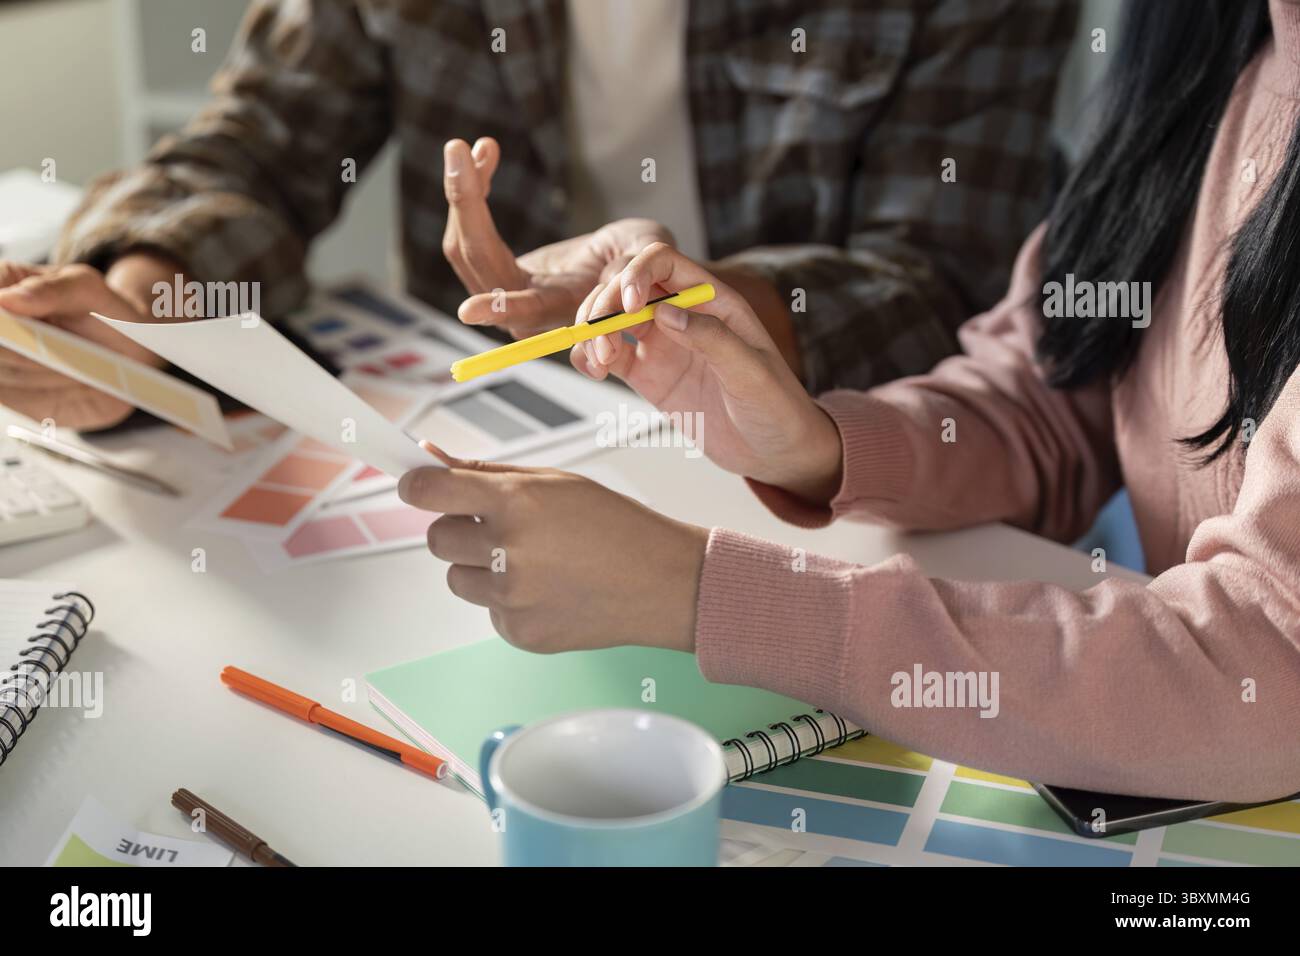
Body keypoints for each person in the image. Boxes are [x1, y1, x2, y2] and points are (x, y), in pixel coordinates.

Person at [397, 0, 1300, 802]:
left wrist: (703, 593)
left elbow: (1269, 665)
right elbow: (1055, 390)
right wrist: (818, 445)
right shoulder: (1223, 51)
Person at [0, 0, 1075, 429]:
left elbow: (948, 274)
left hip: (822, 444)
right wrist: (139, 312)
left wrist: (697, 314)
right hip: (475, 426)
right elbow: (261, 141)